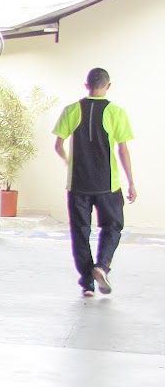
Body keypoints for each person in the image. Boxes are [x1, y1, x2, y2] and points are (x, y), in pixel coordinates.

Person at [52, 67, 136, 297]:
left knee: (80, 231)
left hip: (78, 184)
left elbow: (58, 146)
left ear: (86, 85)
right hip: (108, 184)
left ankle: (87, 282)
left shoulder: (71, 110)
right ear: (108, 86)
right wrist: (131, 182)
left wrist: (70, 162)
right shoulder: (116, 112)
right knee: (113, 226)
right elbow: (123, 150)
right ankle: (102, 266)